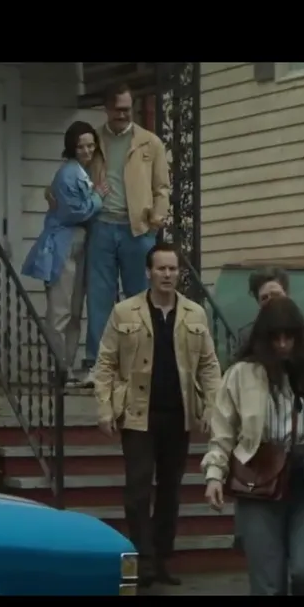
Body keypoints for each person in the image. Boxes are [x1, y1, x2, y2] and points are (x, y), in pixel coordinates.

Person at [93, 243, 221, 587]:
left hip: (178, 415)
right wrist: (104, 408)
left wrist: (211, 406)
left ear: (180, 273)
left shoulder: (195, 313)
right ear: (148, 272)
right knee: (138, 488)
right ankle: (143, 559)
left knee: (170, 491)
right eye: (161, 268)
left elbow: (209, 365)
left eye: (173, 269)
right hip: (138, 414)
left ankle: (162, 558)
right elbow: (105, 363)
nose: (167, 274)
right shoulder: (125, 312)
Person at [202, 296, 304, 596]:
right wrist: (214, 474)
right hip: (258, 477)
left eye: (289, 337)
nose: (282, 345)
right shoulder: (241, 374)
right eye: (275, 337)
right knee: (267, 582)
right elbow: (223, 430)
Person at [83, 83, 171, 387]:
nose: (123, 114)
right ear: (107, 108)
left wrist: (157, 217)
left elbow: (162, 187)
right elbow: (74, 176)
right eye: (118, 109)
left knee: (139, 298)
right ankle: (99, 366)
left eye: (127, 109)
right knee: (100, 299)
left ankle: (140, 364)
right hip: (101, 226)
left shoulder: (150, 142)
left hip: (138, 230)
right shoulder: (93, 140)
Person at [22, 121, 104, 385]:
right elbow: (73, 212)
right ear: (71, 147)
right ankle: (58, 367)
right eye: (81, 146)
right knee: (60, 311)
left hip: (79, 244)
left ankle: (66, 366)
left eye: (91, 145)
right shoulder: (68, 173)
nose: (86, 150)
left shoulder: (83, 171)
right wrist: (98, 198)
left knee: (75, 311)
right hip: (63, 244)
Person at [236, 267, 304, 354]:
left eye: (276, 295)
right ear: (258, 303)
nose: (271, 301)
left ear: (287, 296)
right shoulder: (247, 337)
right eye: (264, 298)